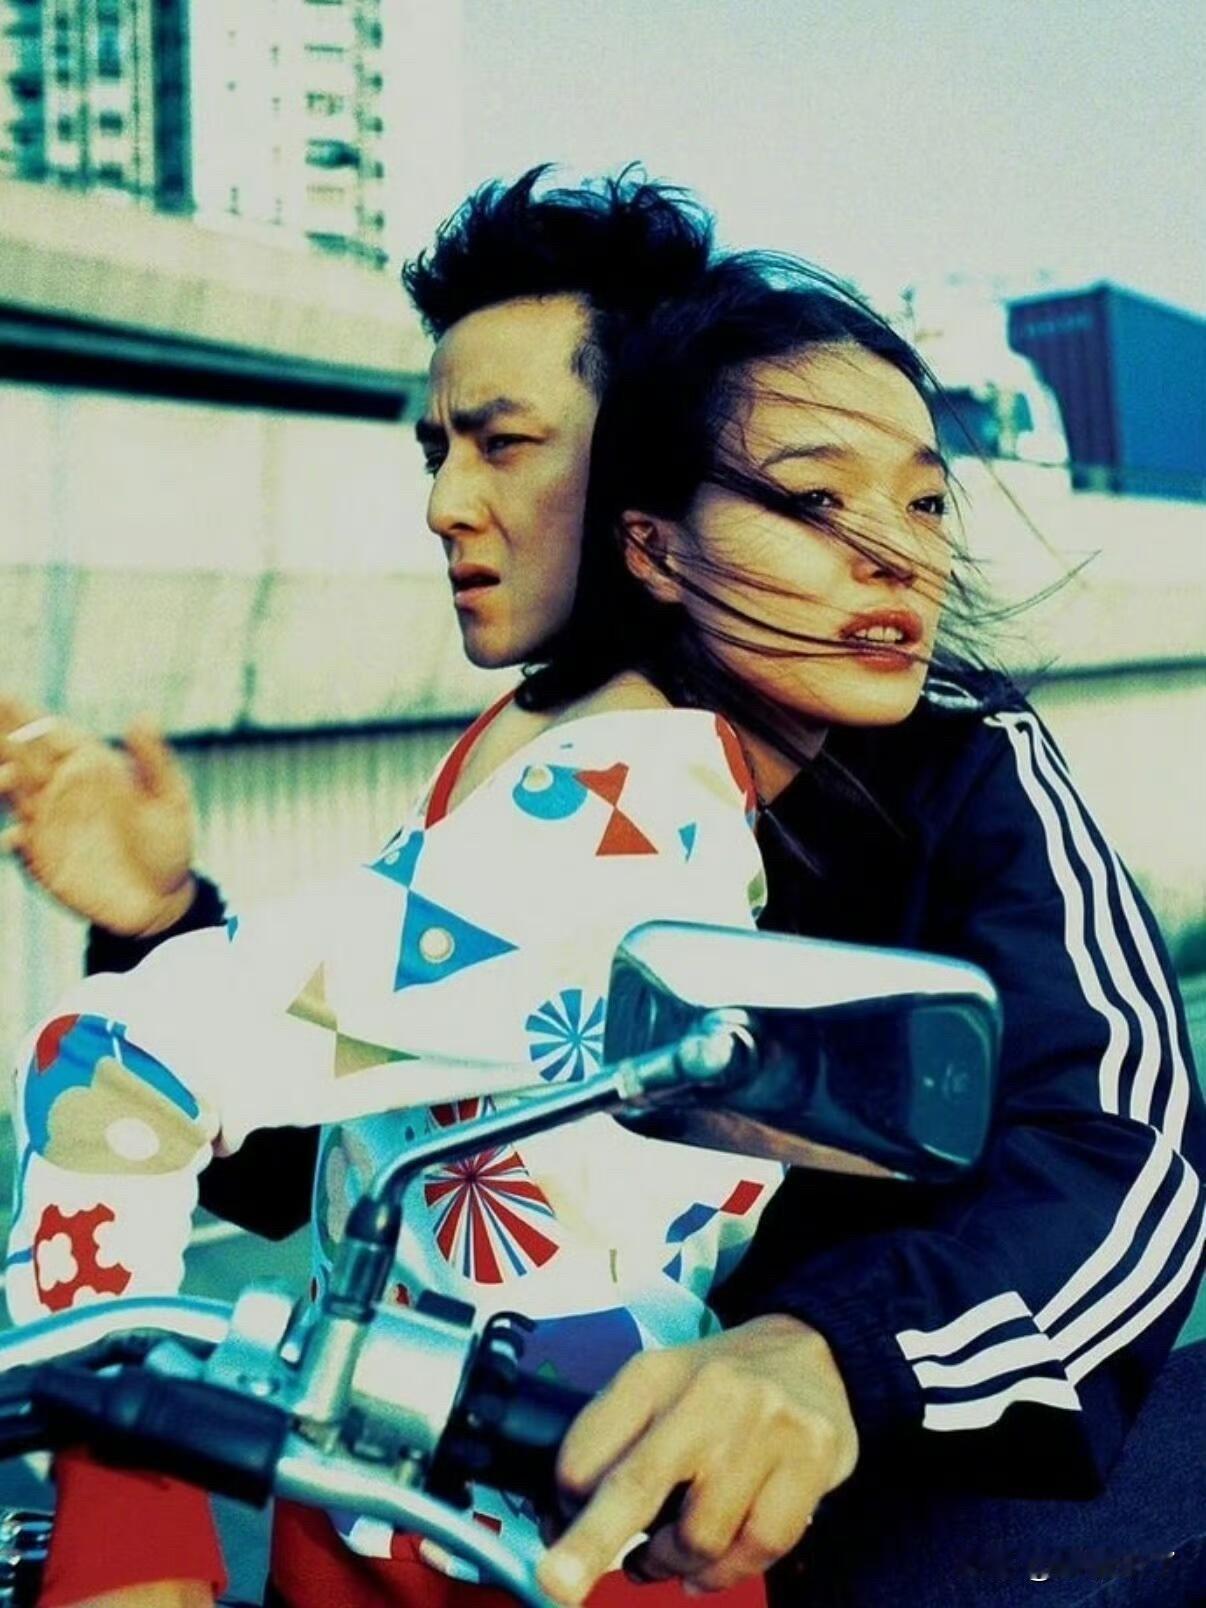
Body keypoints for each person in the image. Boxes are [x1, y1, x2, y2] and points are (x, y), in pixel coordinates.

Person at [4, 171, 1205, 1608]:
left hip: (813, 1504)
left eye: (506, 444)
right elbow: (366, 1140)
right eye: (437, 450)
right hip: (432, 1510)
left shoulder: (950, 769)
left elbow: (1118, 1153)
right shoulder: (547, 771)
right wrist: (159, 924)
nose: (448, 502)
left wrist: (828, 1357)